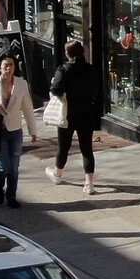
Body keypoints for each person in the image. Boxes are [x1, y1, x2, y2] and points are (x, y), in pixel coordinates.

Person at [0, 53, 38, 208]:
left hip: (15, 130)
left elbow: (28, 108)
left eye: (12, 65)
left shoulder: (21, 84)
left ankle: (11, 196)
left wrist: (32, 130)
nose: (9, 68)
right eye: (6, 65)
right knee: (4, 166)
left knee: (14, 167)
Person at [45, 37, 103, 195]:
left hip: (68, 113)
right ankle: (89, 183)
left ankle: (57, 173)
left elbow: (55, 89)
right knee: (87, 149)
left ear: (68, 54)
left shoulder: (63, 69)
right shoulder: (90, 69)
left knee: (63, 147)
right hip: (86, 113)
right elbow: (96, 90)